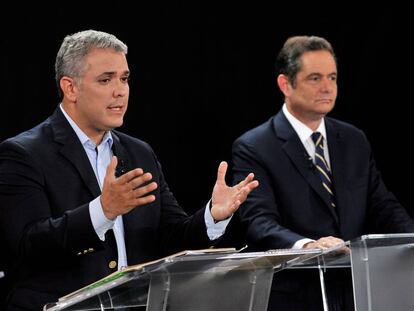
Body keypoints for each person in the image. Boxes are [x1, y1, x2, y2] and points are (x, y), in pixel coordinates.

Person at [0, 29, 259, 311]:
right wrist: (103, 211)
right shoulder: (24, 153)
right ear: (70, 87)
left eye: (124, 78)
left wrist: (212, 216)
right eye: (105, 79)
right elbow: (27, 248)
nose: (120, 90)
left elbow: (172, 237)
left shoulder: (138, 153)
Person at [232, 35, 414, 310]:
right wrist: (306, 246)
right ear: (286, 84)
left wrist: (411, 238)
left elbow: (383, 206)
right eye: (315, 78)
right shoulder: (255, 146)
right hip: (295, 295)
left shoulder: (354, 140)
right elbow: (258, 221)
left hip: (356, 291)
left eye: (332, 77)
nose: (327, 88)